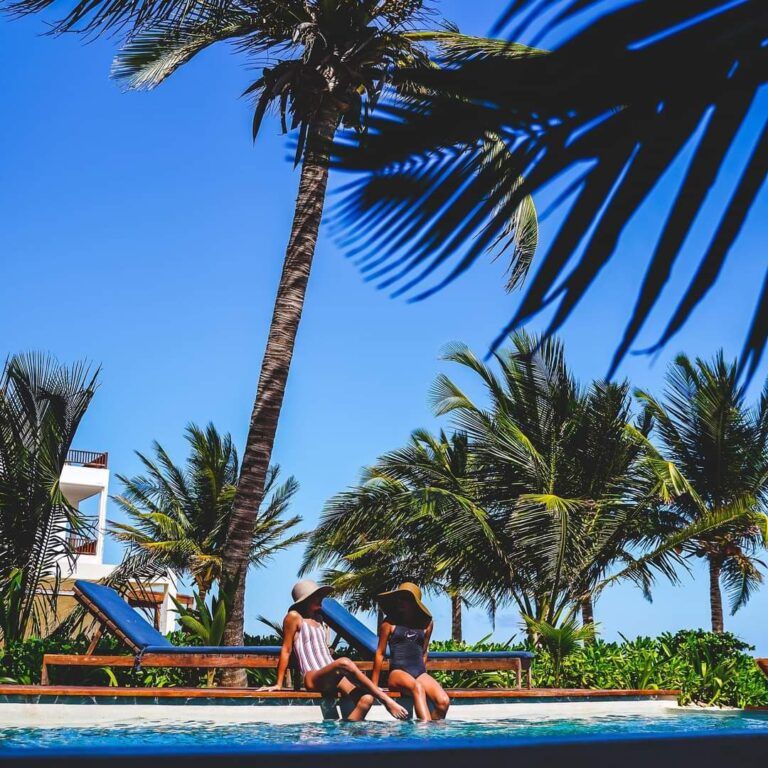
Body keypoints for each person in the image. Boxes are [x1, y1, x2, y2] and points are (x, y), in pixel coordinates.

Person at [259, 579, 408, 721]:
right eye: (317, 596)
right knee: (344, 662)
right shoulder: (294, 617)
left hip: (333, 674)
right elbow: (286, 649)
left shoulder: (319, 618)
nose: (321, 599)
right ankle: (386, 700)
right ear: (306, 600)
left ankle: (346, 734)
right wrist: (278, 684)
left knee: (366, 699)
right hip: (313, 676)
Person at [372, 582, 451, 722]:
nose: (401, 601)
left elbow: (424, 651)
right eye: (399, 598)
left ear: (415, 603)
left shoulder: (427, 623)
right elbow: (380, 653)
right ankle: (424, 732)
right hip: (398, 673)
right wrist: (374, 687)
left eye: (406, 598)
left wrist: (422, 674)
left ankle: (431, 730)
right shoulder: (389, 623)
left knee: (443, 701)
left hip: (419, 673)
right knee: (418, 688)